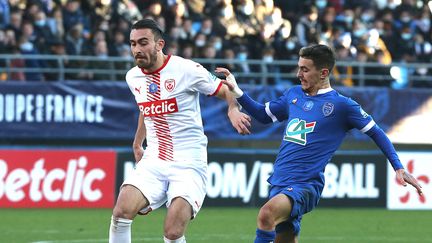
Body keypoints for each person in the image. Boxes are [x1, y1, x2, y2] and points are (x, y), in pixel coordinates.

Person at [218, 44, 424, 243]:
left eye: (305, 69)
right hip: (279, 181)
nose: (299, 74)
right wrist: (237, 90)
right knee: (285, 237)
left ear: (323, 73)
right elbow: (263, 115)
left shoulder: (343, 105)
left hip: (305, 185)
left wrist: (398, 166)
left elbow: (377, 133)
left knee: (266, 214)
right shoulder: (293, 95)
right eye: (299, 68)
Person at [108, 19, 251, 243]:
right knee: (121, 212)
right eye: (133, 44)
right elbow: (145, 108)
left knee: (173, 231)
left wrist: (233, 109)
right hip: (154, 158)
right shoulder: (132, 77)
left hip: (188, 161)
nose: (136, 49)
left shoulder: (186, 69)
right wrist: (138, 143)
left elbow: (224, 89)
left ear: (159, 44)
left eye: (143, 43)